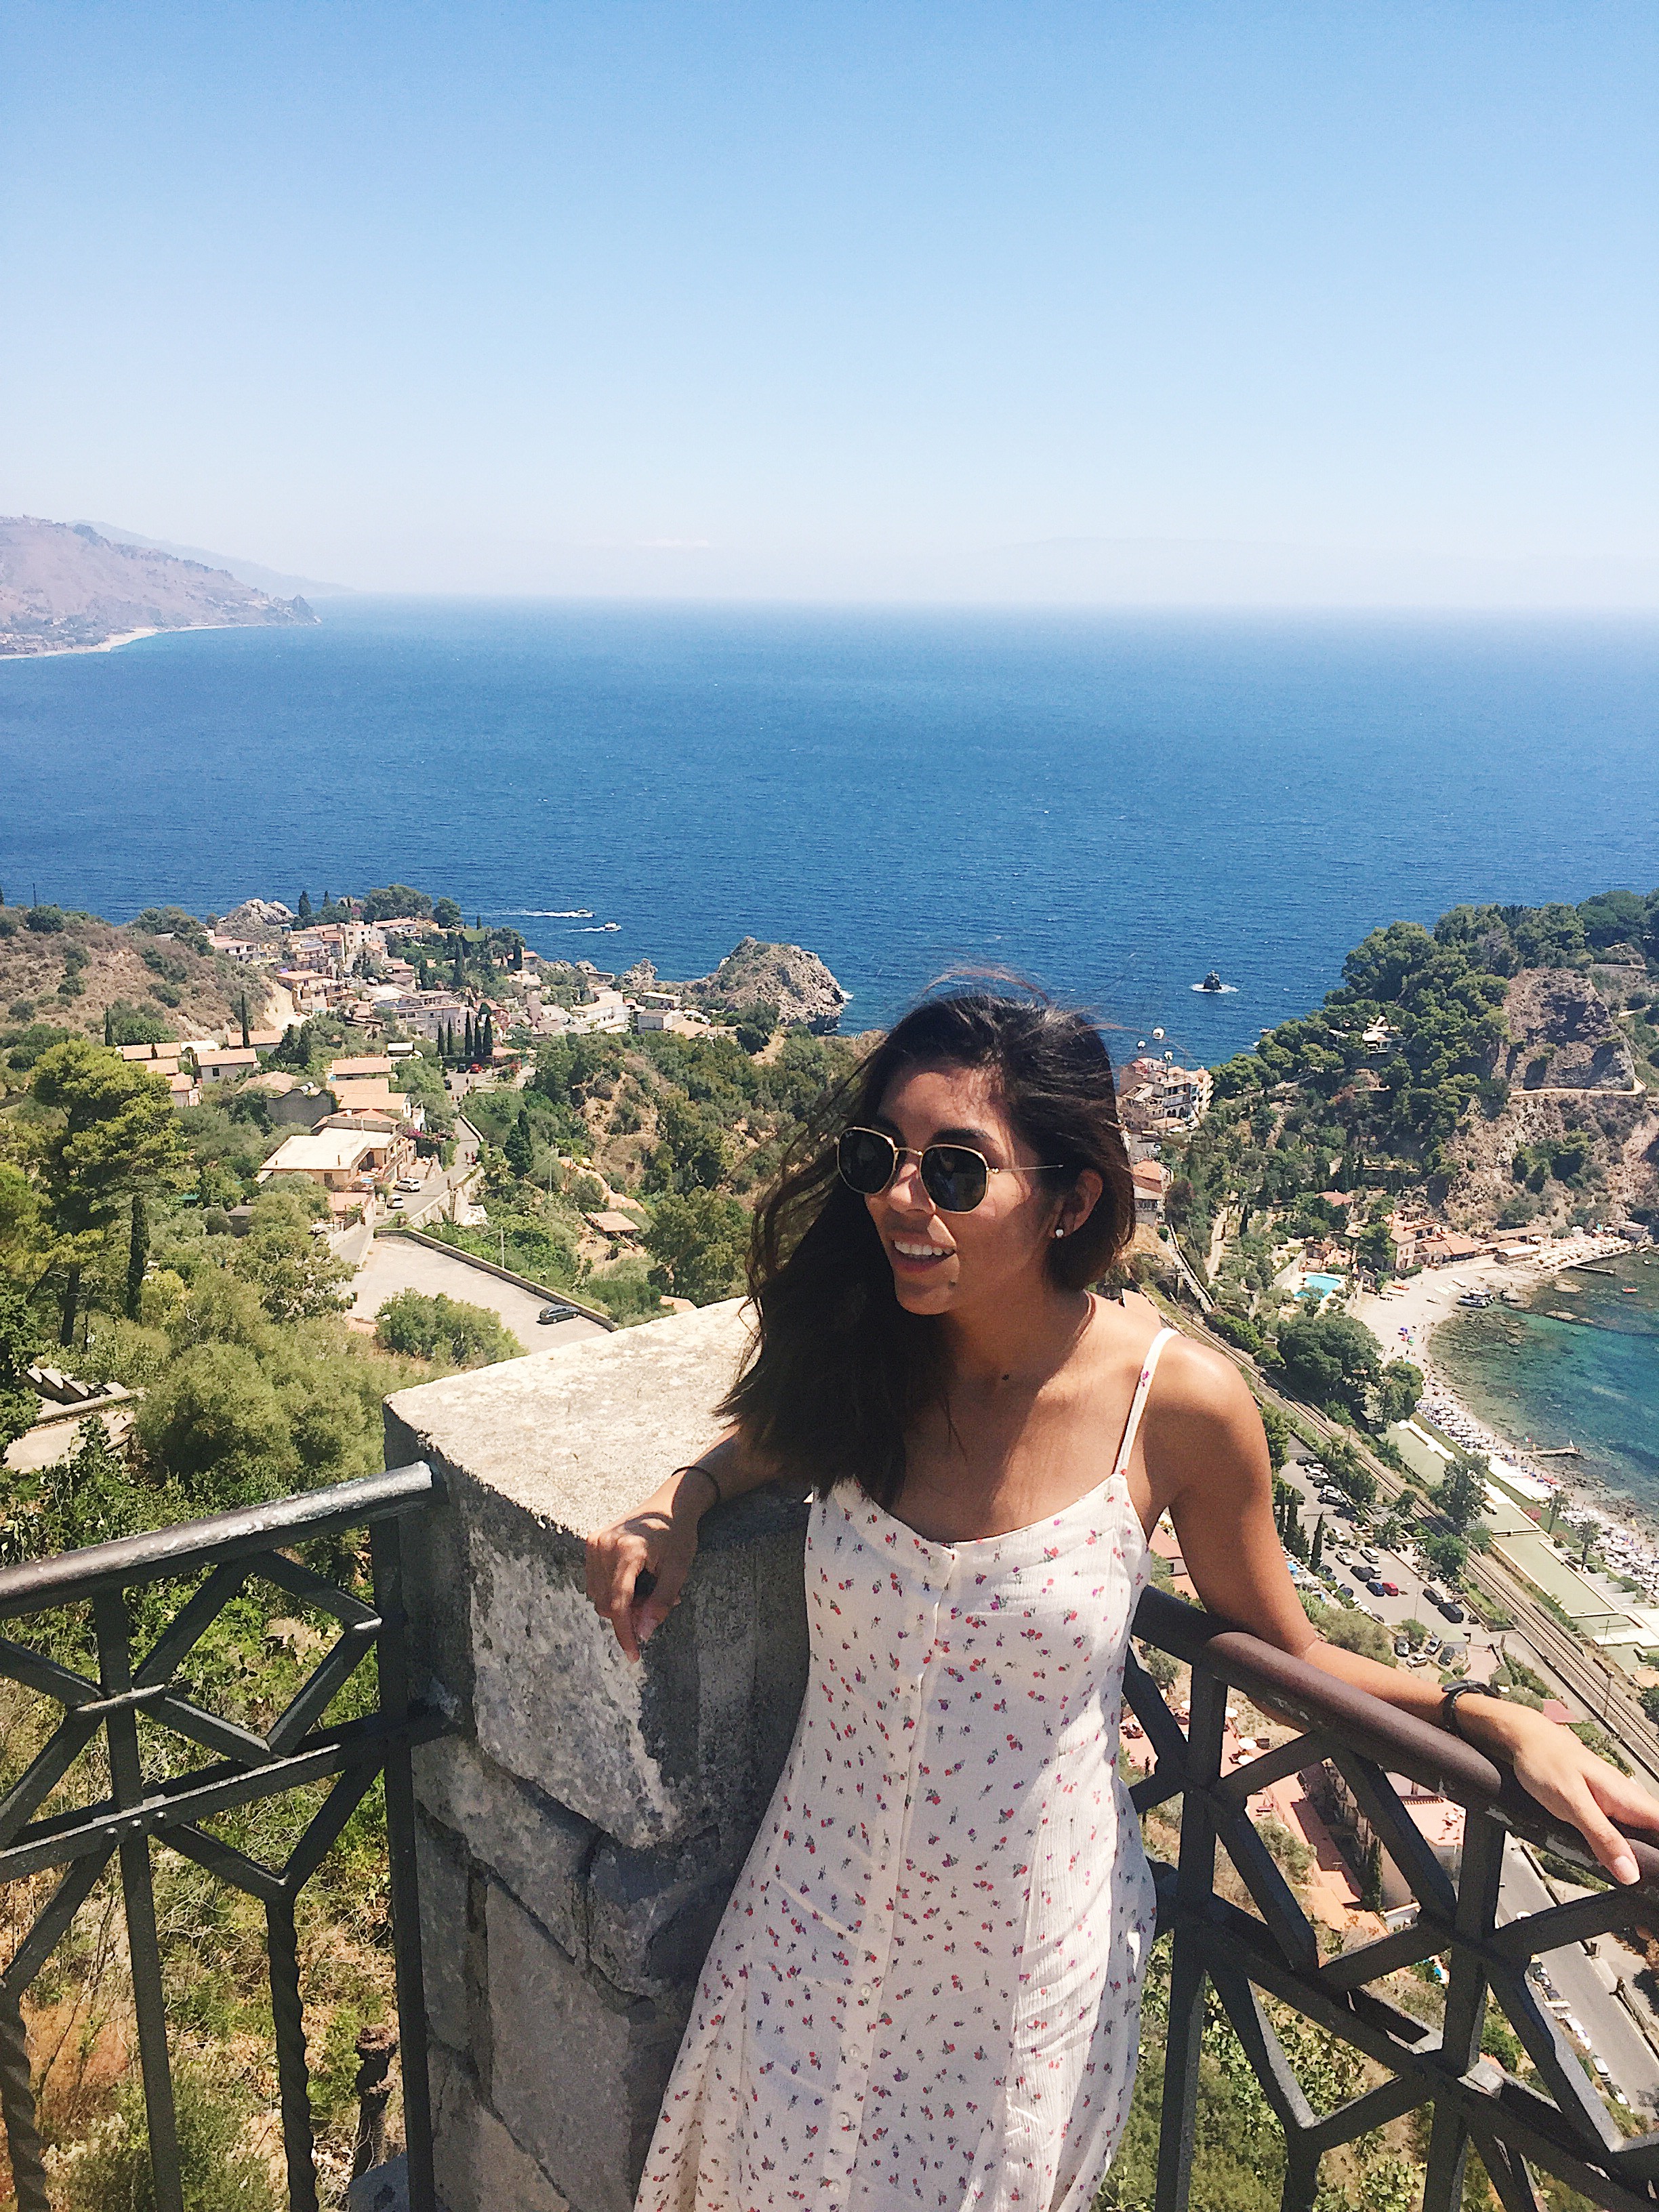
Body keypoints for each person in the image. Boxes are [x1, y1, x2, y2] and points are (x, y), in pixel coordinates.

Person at [586, 988, 1654, 2212]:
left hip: (1020, 1978)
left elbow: (1285, 1652)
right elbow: (769, 1440)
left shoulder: (1178, 1404)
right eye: (881, 1157)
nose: (901, 1199)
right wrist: (685, 1498)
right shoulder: (870, 1351)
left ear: (1072, 1199)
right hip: (808, 1924)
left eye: (955, 1169)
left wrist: (1485, 1716)